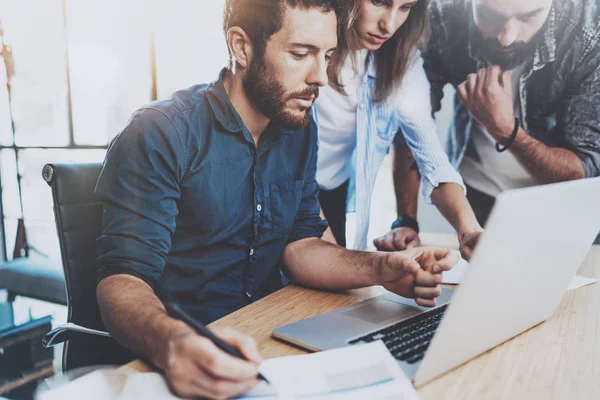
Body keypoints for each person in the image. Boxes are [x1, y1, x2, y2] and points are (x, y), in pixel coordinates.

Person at [94, 1, 459, 398]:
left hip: (269, 345)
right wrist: (172, 343)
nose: (321, 77)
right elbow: (123, 279)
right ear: (241, 47)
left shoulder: (298, 128)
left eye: (329, 56)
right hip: (186, 358)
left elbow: (301, 245)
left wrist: (383, 269)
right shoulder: (160, 133)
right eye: (300, 54)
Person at [394, 0, 600, 240]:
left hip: (562, 206)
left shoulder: (590, 34)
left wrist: (505, 130)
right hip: (480, 197)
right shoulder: (442, 16)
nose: (507, 38)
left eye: (528, 17)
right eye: (490, 16)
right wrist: (406, 221)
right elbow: (411, 126)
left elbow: (583, 171)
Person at [315, 0, 484, 258]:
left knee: (328, 289)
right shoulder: (304, 46)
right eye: (380, 2)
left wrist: (468, 229)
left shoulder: (402, 63)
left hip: (332, 192)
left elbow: (432, 160)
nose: (389, 25)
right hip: (284, 189)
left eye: (405, 7)